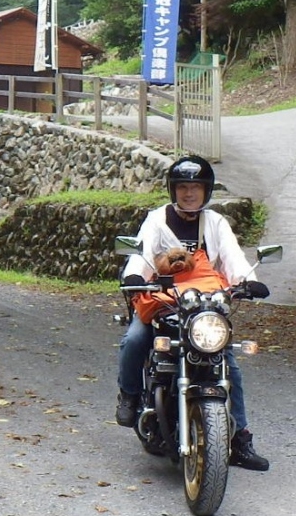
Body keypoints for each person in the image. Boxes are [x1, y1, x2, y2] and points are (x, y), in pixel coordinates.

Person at [114, 155, 271, 471]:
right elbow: (142, 254)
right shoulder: (157, 220)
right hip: (163, 301)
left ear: (206, 190)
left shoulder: (215, 223)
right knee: (135, 338)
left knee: (228, 361)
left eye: (195, 187)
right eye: (183, 187)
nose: (189, 193)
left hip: (203, 306)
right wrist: (134, 276)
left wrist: (249, 282)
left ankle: (240, 438)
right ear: (173, 190)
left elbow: (232, 258)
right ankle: (130, 395)